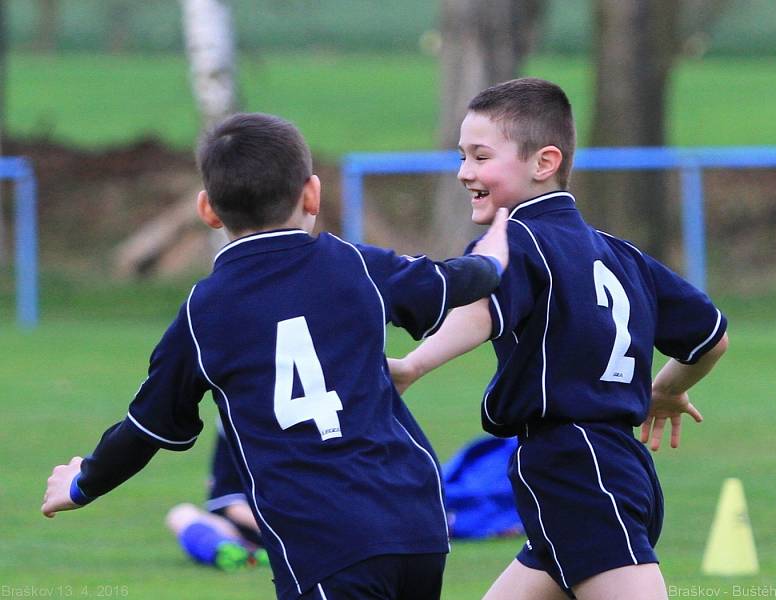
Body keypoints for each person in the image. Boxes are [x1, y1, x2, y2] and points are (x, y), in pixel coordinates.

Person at [42, 112, 511, 600]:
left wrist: (82, 483)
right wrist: (493, 257)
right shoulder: (356, 264)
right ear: (312, 194)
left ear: (207, 210)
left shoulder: (205, 312)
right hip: (418, 524)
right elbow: (453, 280)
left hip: (326, 543)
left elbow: (146, 427)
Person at [388, 78, 729, 600]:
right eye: (462, 157)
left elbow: (481, 307)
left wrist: (414, 364)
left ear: (543, 162)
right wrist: (664, 388)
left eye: (480, 157)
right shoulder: (619, 252)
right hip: (615, 465)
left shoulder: (515, 239)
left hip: (574, 466)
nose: (464, 172)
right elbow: (710, 337)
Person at [165, 427, 267, 571]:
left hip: (291, 530)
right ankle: (237, 552)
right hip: (257, 529)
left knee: (181, 514)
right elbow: (228, 501)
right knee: (180, 514)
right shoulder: (232, 426)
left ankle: (234, 552)